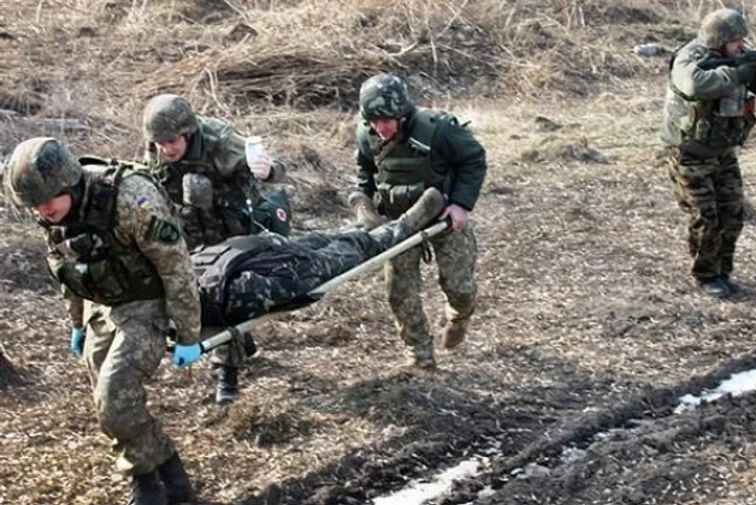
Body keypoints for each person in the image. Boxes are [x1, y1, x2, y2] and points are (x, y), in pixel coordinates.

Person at [3, 137, 201, 505]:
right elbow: (66, 268)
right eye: (34, 204)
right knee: (108, 406)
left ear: (68, 183)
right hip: (103, 306)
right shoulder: (51, 211)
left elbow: (175, 264)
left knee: (114, 399)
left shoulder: (130, 198)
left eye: (47, 200)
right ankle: (173, 480)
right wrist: (77, 322)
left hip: (148, 302)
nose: (42, 210)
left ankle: (145, 484)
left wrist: (188, 332)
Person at [141, 93, 290, 403]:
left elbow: (275, 168)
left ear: (187, 132)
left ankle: (227, 371)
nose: (167, 149)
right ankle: (240, 342)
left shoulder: (220, 141)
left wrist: (267, 170)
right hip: (191, 228)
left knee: (221, 291)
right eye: (160, 143)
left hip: (231, 224)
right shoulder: (155, 147)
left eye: (173, 141)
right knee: (197, 288)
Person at [174, 186, 446, 354]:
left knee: (339, 244)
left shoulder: (204, 291)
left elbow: (277, 286)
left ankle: (376, 225)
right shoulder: (185, 277)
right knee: (350, 246)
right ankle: (398, 224)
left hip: (271, 259)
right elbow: (280, 286)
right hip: (271, 257)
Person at [350, 73, 487, 369]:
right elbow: (365, 171)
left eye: (386, 120)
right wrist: (366, 205)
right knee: (399, 291)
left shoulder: (438, 129)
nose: (380, 128)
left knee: (460, 287)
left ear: (402, 113)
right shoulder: (366, 134)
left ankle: (458, 317)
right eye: (373, 121)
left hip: (443, 217)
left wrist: (461, 205)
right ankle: (419, 351)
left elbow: (474, 159)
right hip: (398, 224)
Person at [661, 8, 756, 298]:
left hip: (724, 151)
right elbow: (695, 84)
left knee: (732, 213)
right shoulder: (689, 57)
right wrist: (738, 72)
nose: (741, 45)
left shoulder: (738, 57)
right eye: (736, 41)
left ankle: (723, 271)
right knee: (705, 217)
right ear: (719, 40)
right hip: (690, 153)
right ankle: (706, 275)